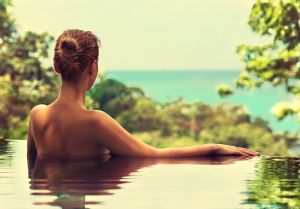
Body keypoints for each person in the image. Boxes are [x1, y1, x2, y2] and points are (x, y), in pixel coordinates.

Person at [27, 29, 260, 159]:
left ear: (56, 66)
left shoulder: (37, 116)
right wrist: (214, 149)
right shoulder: (95, 122)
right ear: (93, 68)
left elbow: (33, 170)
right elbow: (155, 156)